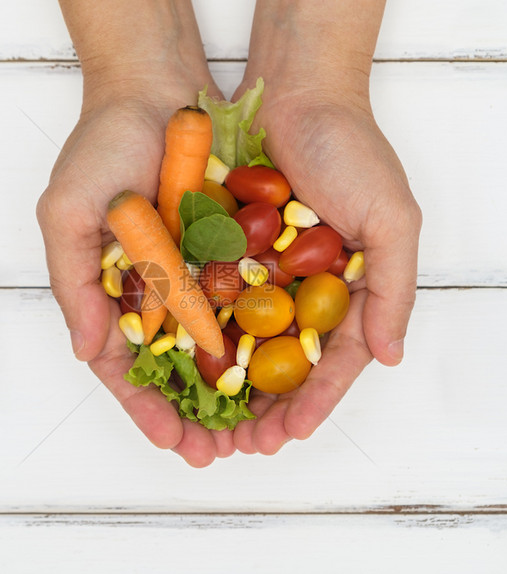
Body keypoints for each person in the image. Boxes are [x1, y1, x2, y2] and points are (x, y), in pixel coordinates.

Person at [36, 0, 422, 467]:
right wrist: (129, 81)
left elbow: (245, 292)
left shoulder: (251, 285)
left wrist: (319, 86)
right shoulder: (232, 282)